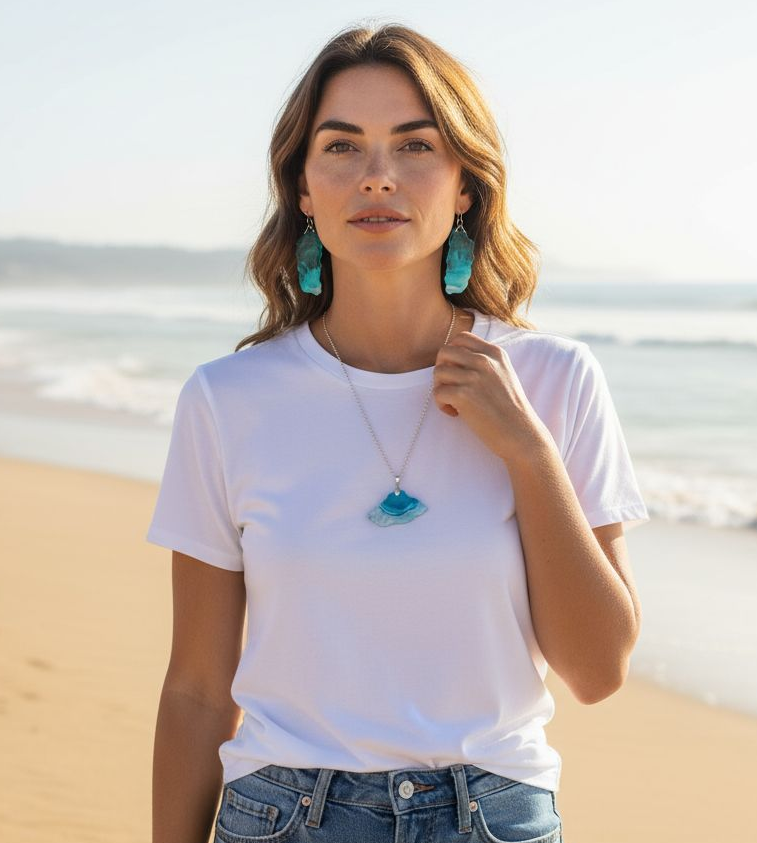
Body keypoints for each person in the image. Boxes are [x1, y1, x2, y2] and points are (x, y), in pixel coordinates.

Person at [146, 21, 649, 843]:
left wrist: (527, 454)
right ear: (302, 188)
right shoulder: (227, 400)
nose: (377, 177)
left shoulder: (553, 381)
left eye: (414, 146)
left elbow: (597, 671)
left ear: (464, 185)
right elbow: (199, 688)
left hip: (493, 816)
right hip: (281, 817)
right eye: (342, 149)